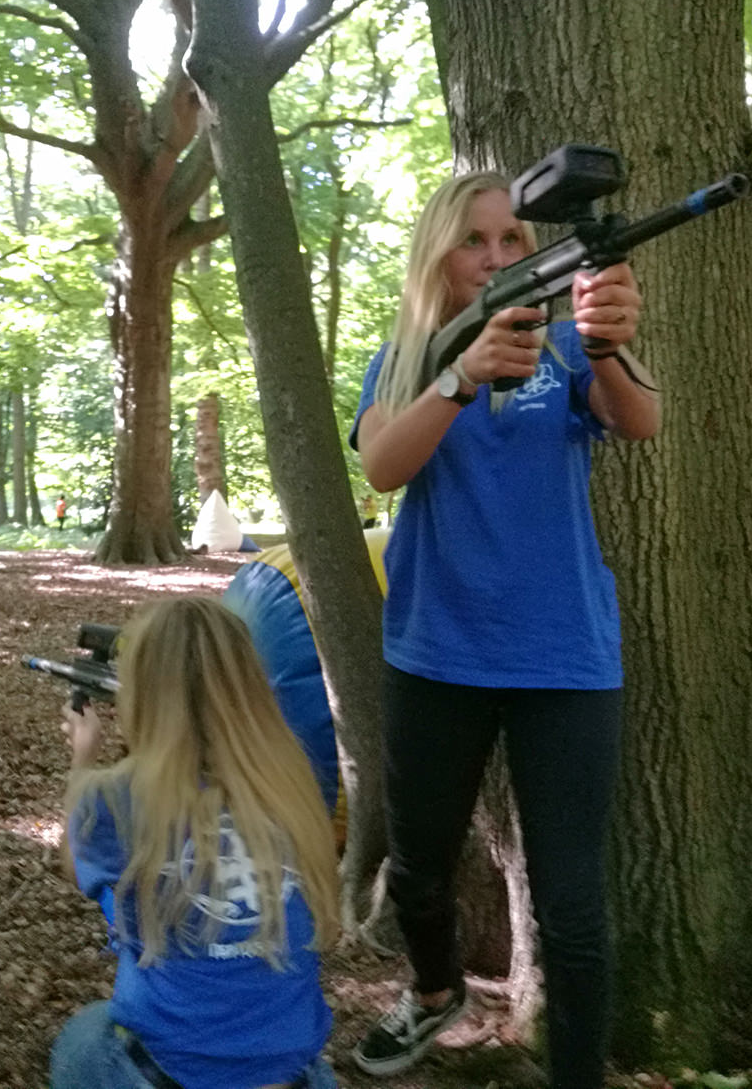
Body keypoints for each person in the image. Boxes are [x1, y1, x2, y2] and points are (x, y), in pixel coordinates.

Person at [348, 171, 660, 1087]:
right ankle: (437, 990)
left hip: (564, 658)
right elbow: (381, 466)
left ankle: (576, 1072)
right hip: (435, 652)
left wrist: (604, 342)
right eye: (474, 242)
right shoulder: (405, 359)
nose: (496, 257)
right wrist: (459, 376)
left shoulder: (566, 348)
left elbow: (640, 420)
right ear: (438, 259)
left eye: (513, 241)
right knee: (418, 869)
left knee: (570, 903)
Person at [50, 597, 341, 1089]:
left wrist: (83, 763)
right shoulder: (292, 786)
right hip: (292, 1076)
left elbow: (77, 868)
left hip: (167, 1076)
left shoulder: (112, 797)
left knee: (84, 1035)